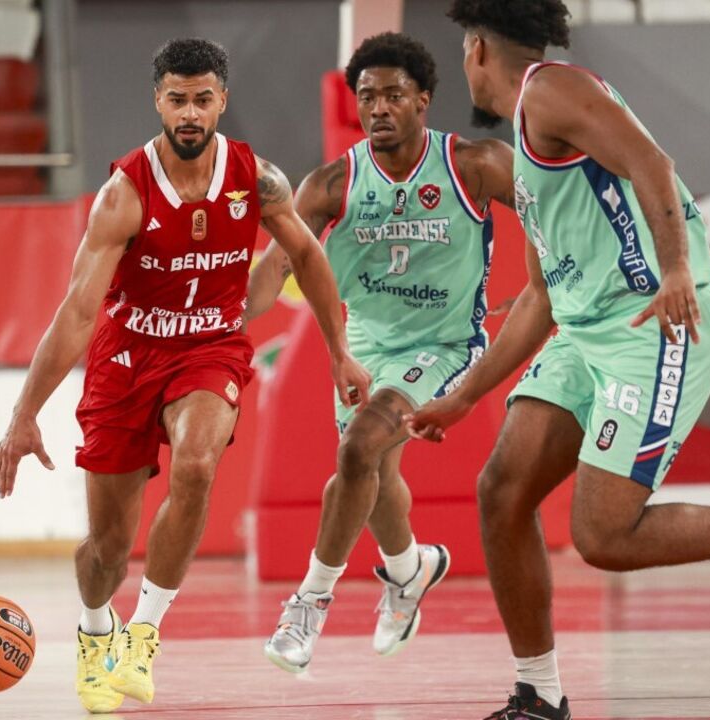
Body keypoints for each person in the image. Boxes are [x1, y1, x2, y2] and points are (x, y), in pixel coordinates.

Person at [406, 3, 710, 718]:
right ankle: (538, 694)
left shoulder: (549, 90)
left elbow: (652, 163)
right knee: (502, 491)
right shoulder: (528, 149)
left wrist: (677, 269)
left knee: (604, 537)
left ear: (475, 50)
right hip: (588, 330)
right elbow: (539, 297)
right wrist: (465, 395)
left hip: (655, 325)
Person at [0, 38, 370, 713]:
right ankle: (95, 630)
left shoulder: (259, 178)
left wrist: (339, 349)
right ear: (157, 101)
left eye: (201, 99)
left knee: (197, 466)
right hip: (127, 357)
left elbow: (307, 257)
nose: (189, 113)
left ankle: (143, 634)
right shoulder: (123, 193)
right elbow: (77, 314)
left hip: (210, 349)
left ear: (221, 99)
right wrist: (24, 415)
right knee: (105, 548)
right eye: (176, 99)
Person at [246, 32, 515, 673]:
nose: (379, 108)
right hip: (366, 346)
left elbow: (556, 213)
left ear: (423, 99)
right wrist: (219, 324)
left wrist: (568, 277)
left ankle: (309, 603)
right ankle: (410, 570)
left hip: (445, 345)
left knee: (358, 448)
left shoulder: (474, 164)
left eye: (394, 94)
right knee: (377, 478)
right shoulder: (331, 184)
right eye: (367, 97)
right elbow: (271, 269)